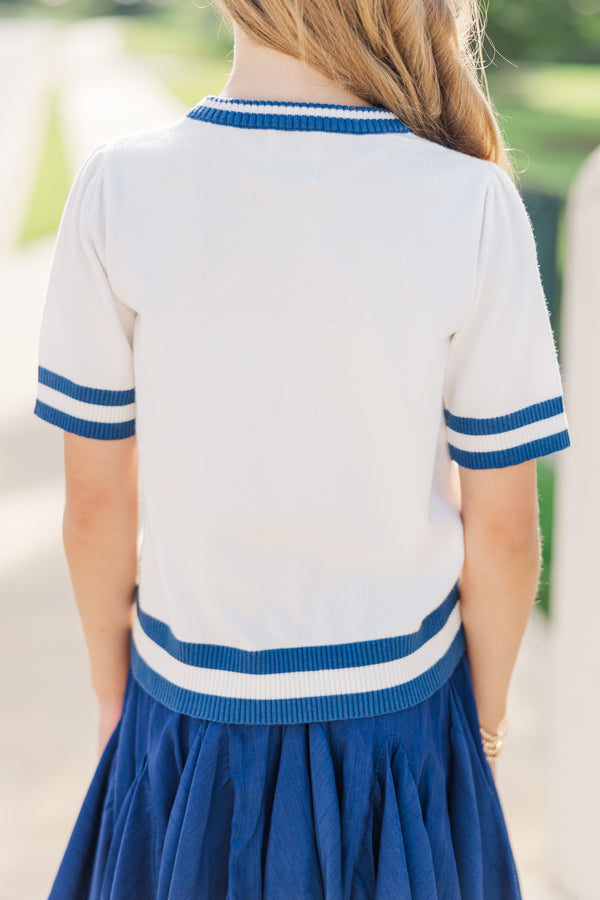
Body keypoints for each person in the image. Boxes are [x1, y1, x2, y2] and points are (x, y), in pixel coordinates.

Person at [34, 0, 571, 897]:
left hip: (186, 715)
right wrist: (482, 725)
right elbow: (505, 532)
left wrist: (109, 694)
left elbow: (94, 509)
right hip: (400, 724)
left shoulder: (119, 188)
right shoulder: (470, 200)